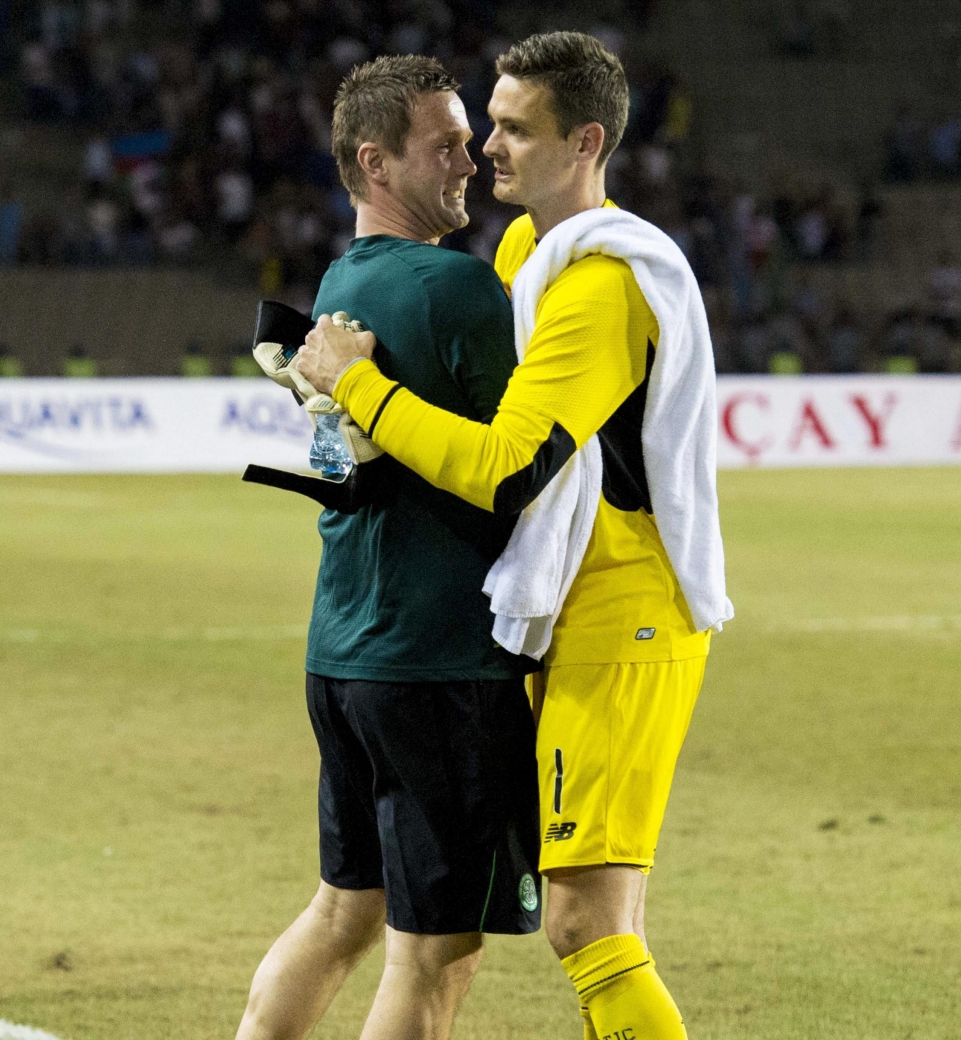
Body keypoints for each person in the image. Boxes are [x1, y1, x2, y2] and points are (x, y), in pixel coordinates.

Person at [297, 31, 733, 1040]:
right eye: (485, 122)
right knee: (595, 918)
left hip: (622, 620)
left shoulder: (597, 283)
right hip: (561, 615)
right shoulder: (526, 249)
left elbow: (507, 469)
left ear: (585, 142)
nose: (485, 147)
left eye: (511, 129)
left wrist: (356, 384)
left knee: (585, 920)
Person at [234, 55, 542, 1040]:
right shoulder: (458, 290)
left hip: (345, 653)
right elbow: (518, 466)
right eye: (445, 142)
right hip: (440, 664)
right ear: (375, 162)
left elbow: (343, 462)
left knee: (342, 912)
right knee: (436, 954)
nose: (472, 157)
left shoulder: (340, 281)